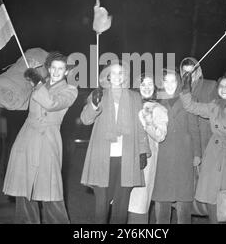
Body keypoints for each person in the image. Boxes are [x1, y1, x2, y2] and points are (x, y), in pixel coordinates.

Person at [2, 52, 78, 224]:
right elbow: (18, 103)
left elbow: (52, 104)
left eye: (61, 68)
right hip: (27, 138)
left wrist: (37, 84)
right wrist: (1, 91)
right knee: (24, 191)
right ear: (49, 69)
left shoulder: (70, 90)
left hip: (48, 141)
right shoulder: (38, 85)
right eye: (54, 67)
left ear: (66, 72)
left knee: (51, 192)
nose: (57, 71)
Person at [80, 61, 151, 224]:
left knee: (121, 205)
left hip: (127, 157)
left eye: (121, 73)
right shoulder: (99, 94)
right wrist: (93, 104)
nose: (118, 76)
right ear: (108, 76)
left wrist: (142, 151)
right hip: (103, 157)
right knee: (101, 206)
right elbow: (85, 120)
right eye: (114, 73)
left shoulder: (134, 97)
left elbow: (140, 127)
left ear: (125, 76)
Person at [180, 72, 226, 224]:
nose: (224, 88)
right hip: (213, 159)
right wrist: (186, 89)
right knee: (212, 202)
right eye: (221, 86)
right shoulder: (213, 106)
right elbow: (191, 106)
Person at [151, 69, 200, 224]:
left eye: (173, 81)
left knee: (184, 204)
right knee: (162, 201)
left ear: (178, 82)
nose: (170, 85)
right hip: (162, 158)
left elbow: (194, 128)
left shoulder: (187, 100)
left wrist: (197, 154)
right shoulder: (156, 102)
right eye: (166, 81)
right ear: (162, 83)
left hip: (184, 156)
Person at [127, 74, 168, 224]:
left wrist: (148, 123)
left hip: (145, 162)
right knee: (123, 203)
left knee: (138, 204)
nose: (146, 87)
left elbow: (160, 136)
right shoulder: (130, 104)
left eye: (150, 84)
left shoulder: (158, 109)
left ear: (155, 88)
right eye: (143, 84)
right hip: (127, 159)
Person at [179, 57, 216, 158]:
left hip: (205, 137)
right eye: (186, 72)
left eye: (191, 72)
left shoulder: (211, 86)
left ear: (198, 71)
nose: (189, 76)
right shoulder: (179, 89)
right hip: (187, 139)